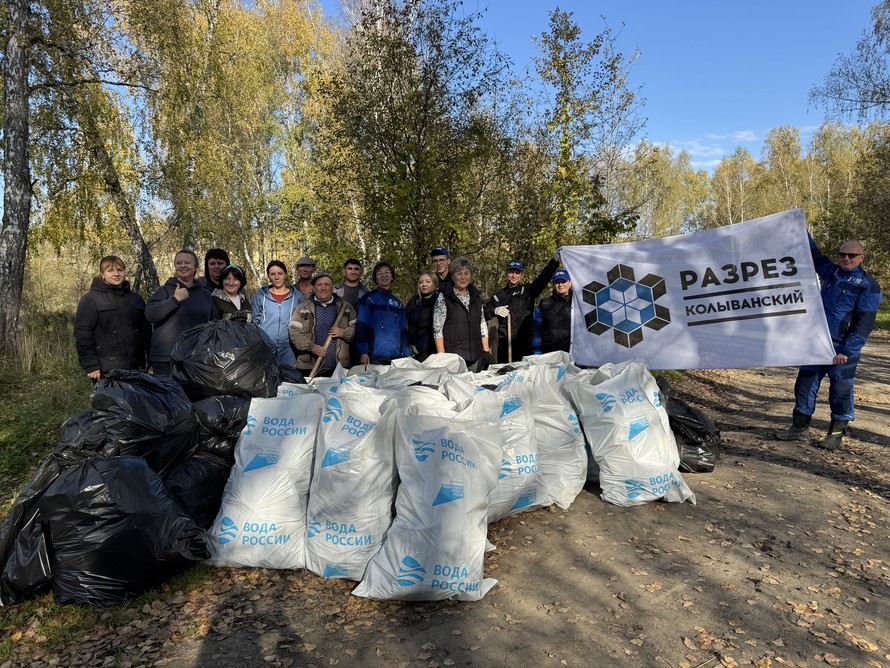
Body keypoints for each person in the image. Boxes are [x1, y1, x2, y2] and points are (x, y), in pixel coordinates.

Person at [775, 236, 883, 450]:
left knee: (840, 390)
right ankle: (799, 429)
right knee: (805, 385)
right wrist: (799, 228)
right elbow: (815, 256)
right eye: (842, 254)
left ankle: (835, 435)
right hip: (816, 343)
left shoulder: (868, 286)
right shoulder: (831, 272)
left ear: (861, 258)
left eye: (852, 255)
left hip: (841, 348)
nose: (846, 258)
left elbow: (864, 323)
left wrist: (847, 350)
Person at [74, 255, 151, 380]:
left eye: (120, 270)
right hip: (107, 369)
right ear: (102, 274)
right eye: (110, 270)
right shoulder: (90, 300)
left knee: (136, 400)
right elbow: (83, 334)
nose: (116, 274)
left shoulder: (135, 299)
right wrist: (91, 365)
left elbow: (146, 331)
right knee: (111, 400)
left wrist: (149, 358)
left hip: (137, 367)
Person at [145, 249, 216, 375]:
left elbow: (213, 324)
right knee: (166, 395)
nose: (183, 265)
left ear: (195, 267)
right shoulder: (165, 291)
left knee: (192, 395)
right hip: (166, 359)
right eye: (179, 263)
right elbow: (150, 314)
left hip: (195, 358)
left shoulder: (205, 294)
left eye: (187, 263)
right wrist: (174, 300)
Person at [485, 255, 560, 364]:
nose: (514, 275)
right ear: (506, 273)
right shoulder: (498, 296)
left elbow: (543, 278)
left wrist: (554, 261)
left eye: (517, 273)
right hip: (505, 347)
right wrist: (494, 310)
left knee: (524, 378)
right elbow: (484, 312)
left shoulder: (528, 291)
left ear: (521, 275)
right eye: (511, 272)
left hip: (524, 345)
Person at [289, 272, 356, 378]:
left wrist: (343, 332)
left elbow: (357, 329)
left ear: (333, 287)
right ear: (313, 288)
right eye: (319, 285)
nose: (323, 288)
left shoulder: (346, 307)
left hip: (339, 368)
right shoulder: (302, 308)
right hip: (309, 368)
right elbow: (294, 333)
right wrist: (312, 347)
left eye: (327, 284)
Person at [433, 256, 491, 371]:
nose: (463, 277)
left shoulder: (476, 297)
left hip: (474, 355)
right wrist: (442, 357)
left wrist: (486, 350)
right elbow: (437, 330)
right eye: (459, 274)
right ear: (453, 276)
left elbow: (482, 324)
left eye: (466, 273)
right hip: (453, 359)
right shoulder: (444, 296)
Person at [356, 261, 411, 365]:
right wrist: (363, 352)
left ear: (392, 277)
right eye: (380, 273)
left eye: (387, 272)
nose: (384, 275)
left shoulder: (398, 304)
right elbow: (362, 327)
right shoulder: (368, 299)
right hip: (374, 356)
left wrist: (407, 352)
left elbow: (403, 331)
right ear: (376, 279)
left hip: (396, 357)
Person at [251, 260, 301, 366]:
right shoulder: (260, 296)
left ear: (285, 275)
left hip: (289, 347)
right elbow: (254, 322)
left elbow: (304, 322)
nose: (277, 277)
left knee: (289, 377)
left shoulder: (297, 297)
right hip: (265, 345)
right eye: (273, 274)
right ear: (269, 276)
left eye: (280, 273)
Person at [531, 269, 573, 355]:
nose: (560, 284)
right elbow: (536, 329)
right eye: (557, 282)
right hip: (548, 354)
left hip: (572, 354)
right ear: (553, 284)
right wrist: (537, 351)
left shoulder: (577, 304)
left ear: (570, 283)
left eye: (563, 281)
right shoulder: (544, 303)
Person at [406, 271, 439, 362]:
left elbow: (433, 329)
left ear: (435, 283)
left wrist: (418, 348)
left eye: (428, 281)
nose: (424, 284)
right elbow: (405, 322)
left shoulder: (438, 301)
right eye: (421, 282)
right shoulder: (414, 300)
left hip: (429, 351)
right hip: (410, 351)